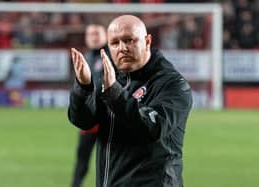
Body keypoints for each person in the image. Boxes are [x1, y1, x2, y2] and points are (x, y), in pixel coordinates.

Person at [68, 15, 192, 187]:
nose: (122, 48)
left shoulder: (172, 84)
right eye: (115, 43)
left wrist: (114, 93)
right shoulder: (110, 79)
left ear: (147, 41)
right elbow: (82, 121)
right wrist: (83, 87)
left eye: (129, 40)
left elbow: (154, 127)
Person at [71, 23, 107, 187]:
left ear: (105, 36)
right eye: (91, 34)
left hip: (108, 119)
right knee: (82, 157)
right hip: (89, 119)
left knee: (108, 161)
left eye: (97, 33)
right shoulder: (85, 57)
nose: (94, 37)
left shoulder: (112, 56)